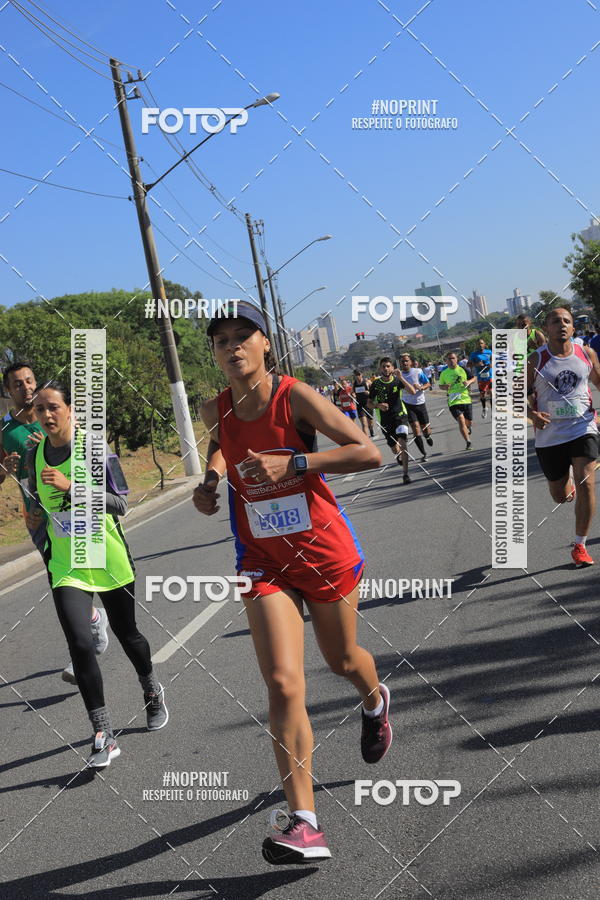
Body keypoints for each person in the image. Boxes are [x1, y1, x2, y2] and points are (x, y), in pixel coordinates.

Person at [193, 300, 391, 864]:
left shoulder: (294, 396)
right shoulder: (216, 407)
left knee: (343, 659)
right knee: (282, 683)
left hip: (323, 553)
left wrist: (296, 464)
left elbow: (368, 451)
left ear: (265, 345)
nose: (231, 347)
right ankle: (305, 823)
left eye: (242, 337)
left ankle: (375, 700)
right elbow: (218, 445)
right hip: (262, 560)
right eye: (220, 340)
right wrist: (210, 482)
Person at [25, 381, 168, 767]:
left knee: (128, 635)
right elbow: (37, 505)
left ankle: (151, 690)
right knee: (79, 644)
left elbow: (121, 502)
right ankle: (102, 734)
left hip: (107, 558)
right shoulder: (35, 454)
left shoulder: (94, 448)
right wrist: (41, 530)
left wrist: (74, 488)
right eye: (40, 409)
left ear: (70, 410)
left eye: (53, 406)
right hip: (66, 564)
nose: (47, 414)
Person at [1, 362, 109, 684]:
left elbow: (89, 444)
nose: (26, 388)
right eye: (18, 384)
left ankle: (83, 649)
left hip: (70, 506)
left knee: (81, 574)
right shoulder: (5, 432)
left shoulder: (56, 413)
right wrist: (5, 467)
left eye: (29, 380)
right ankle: (91, 623)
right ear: (8, 392)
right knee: (61, 584)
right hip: (37, 518)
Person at [527, 307, 600, 566]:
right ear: (546, 328)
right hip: (550, 436)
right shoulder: (535, 360)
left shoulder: (586, 354)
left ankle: (580, 545)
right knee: (559, 495)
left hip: (583, 427)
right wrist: (532, 414)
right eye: (555, 321)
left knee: (587, 483)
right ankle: (564, 479)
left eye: (566, 321)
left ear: (573, 328)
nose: (562, 325)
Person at [369, 357, 416, 484]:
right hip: (385, 420)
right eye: (383, 366)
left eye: (388, 366)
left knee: (403, 443)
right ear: (380, 368)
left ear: (392, 367)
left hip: (400, 416)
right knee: (394, 448)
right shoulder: (376, 384)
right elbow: (369, 403)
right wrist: (378, 405)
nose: (386, 368)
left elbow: (412, 391)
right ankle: (398, 456)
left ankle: (405, 474)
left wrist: (401, 378)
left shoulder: (397, 380)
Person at [398, 354, 433, 461]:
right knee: (416, 429)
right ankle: (424, 453)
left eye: (406, 361)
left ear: (410, 362)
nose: (404, 363)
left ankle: (427, 436)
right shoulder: (398, 376)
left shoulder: (417, 372)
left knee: (425, 428)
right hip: (407, 404)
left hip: (420, 403)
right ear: (400, 363)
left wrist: (422, 387)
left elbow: (428, 383)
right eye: (402, 361)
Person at [439, 352, 477, 450]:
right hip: (453, 400)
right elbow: (440, 385)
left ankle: (468, 427)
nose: (452, 360)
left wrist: (468, 382)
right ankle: (468, 441)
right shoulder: (444, 373)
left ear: (457, 359)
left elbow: (474, 378)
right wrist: (445, 387)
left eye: (453, 358)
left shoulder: (463, 369)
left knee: (469, 422)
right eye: (449, 359)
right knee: (461, 420)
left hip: (465, 399)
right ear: (446, 361)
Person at [469, 338, 493, 418]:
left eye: (481, 343)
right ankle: (484, 408)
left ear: (484, 344)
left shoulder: (489, 352)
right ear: (476, 345)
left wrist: (491, 364)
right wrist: (476, 364)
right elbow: (468, 365)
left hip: (490, 376)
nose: (480, 345)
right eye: (478, 344)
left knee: (492, 393)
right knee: (482, 395)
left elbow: (493, 360)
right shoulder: (473, 354)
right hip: (481, 377)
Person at [352, 369, 374, 437]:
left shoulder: (367, 382)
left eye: (359, 375)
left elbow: (374, 392)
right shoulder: (354, 384)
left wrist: (369, 393)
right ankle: (366, 439)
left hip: (368, 404)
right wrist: (353, 395)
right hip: (360, 405)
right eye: (356, 375)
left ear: (362, 375)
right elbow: (352, 392)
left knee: (370, 422)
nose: (358, 376)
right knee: (364, 424)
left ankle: (371, 429)